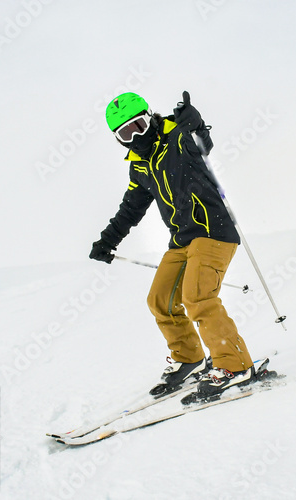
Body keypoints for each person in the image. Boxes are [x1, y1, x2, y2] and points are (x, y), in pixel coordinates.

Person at [89, 91, 256, 402]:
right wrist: (108, 240)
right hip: (181, 240)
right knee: (160, 299)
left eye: (138, 125)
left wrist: (197, 126)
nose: (135, 136)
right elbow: (131, 207)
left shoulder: (177, 136)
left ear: (150, 116)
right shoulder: (139, 165)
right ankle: (189, 358)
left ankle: (235, 366)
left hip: (213, 230)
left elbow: (201, 146)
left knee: (198, 297)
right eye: (125, 133)